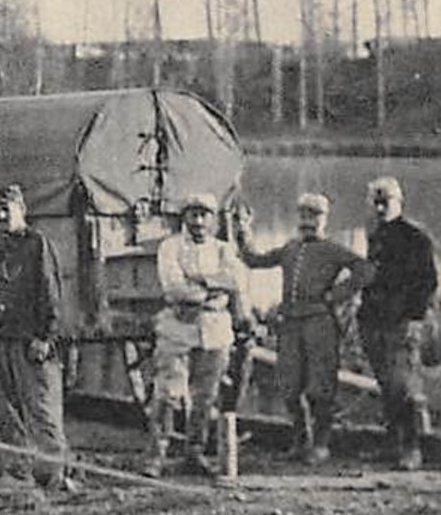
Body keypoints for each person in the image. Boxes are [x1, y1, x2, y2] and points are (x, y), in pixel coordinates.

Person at [238, 193, 374, 464]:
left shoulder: (332, 249)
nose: (308, 221)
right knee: (289, 386)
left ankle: (321, 445)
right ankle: (300, 441)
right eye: (304, 215)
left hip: (319, 323)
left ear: (325, 219)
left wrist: (336, 295)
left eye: (314, 216)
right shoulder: (290, 248)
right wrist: (243, 232)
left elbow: (365, 270)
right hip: (290, 323)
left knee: (320, 386)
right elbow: (255, 260)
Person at [0, 184, 73, 492]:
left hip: (31, 342)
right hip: (2, 341)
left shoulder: (37, 245)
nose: (0, 216)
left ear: (22, 210)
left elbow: (50, 294)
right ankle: (18, 473)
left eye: (6, 209)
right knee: (4, 410)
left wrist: (45, 337)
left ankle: (52, 475)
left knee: (41, 408)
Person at [150, 192, 248, 477]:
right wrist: (214, 291)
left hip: (216, 331)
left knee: (206, 396)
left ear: (213, 220)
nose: (199, 221)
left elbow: (236, 279)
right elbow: (174, 287)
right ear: (184, 218)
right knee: (167, 393)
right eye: (193, 215)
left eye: (204, 215)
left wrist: (199, 281)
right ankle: (156, 456)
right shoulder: (170, 247)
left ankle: (194, 453)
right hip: (178, 328)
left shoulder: (223, 249)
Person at [358, 176, 439, 470]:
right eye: (375, 202)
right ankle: (392, 445)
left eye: (386, 202)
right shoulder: (376, 235)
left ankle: (412, 448)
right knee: (386, 387)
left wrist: (414, 318)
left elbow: (428, 282)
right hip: (373, 322)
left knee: (403, 388)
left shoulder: (415, 237)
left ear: (398, 203)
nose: (380, 208)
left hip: (400, 324)